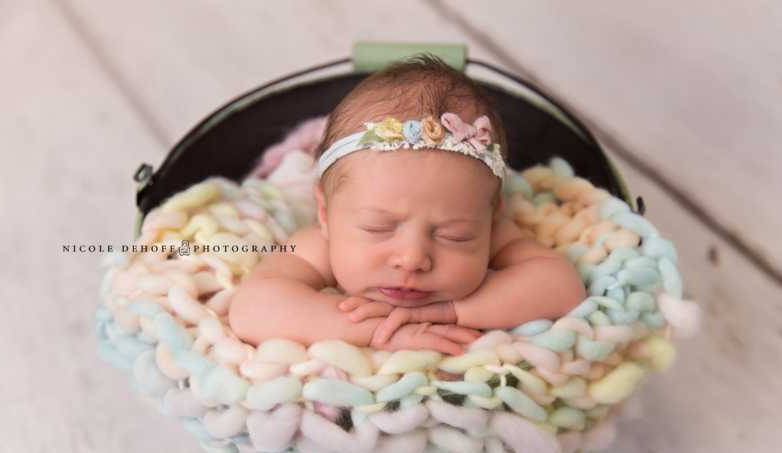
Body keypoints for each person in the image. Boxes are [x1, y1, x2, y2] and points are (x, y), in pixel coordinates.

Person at [229, 55, 586, 355]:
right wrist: (379, 331)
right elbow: (253, 308)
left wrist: (452, 311)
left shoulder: (490, 232)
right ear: (325, 214)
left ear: (491, 218)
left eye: (453, 235)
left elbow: (561, 287)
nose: (413, 258)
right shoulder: (320, 246)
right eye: (378, 228)